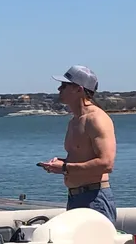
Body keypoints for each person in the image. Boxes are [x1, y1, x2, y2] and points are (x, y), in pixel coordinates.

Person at [37, 64, 117, 222]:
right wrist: (61, 164)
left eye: (65, 85)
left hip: (94, 198)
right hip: (74, 197)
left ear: (79, 90)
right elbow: (82, 157)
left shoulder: (96, 119)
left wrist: (65, 168)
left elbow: (107, 164)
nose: (59, 89)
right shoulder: (74, 121)